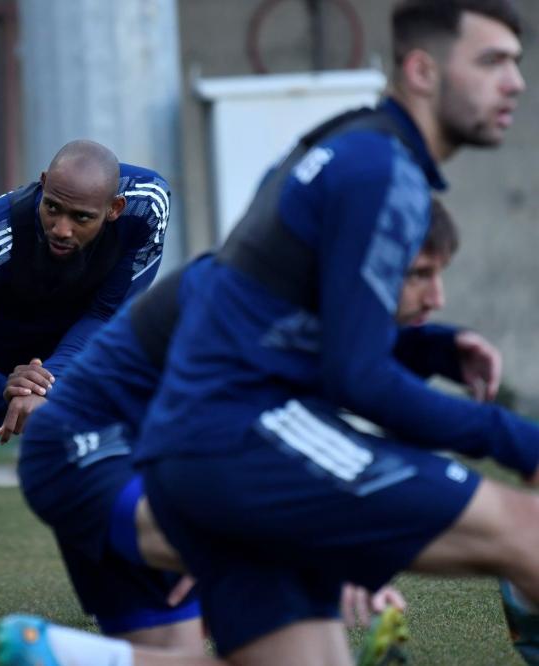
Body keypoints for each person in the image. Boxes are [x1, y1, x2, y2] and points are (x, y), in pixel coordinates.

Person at [121, 1, 539, 664]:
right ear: (422, 71)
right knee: (527, 530)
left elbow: (317, 329)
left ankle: (35, 656)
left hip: (202, 447)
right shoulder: (381, 170)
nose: (514, 81)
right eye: (492, 61)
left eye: (516, 63)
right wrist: (519, 441)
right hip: (240, 439)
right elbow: (359, 377)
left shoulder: (345, 145)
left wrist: (432, 348)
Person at [0, 198, 465, 666]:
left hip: (106, 458)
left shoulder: (291, 299)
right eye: (419, 275)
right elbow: (260, 445)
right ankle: (46, 644)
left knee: (181, 654)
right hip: (104, 466)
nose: (435, 297)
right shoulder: (273, 311)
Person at [0, 139, 170, 617]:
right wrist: (8, 392)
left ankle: (124, 567)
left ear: (114, 209)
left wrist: (50, 378)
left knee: (111, 443)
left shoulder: (147, 205)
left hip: (80, 336)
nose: (61, 228)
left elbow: (108, 312)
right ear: (41, 186)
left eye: (81, 217)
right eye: (52, 207)